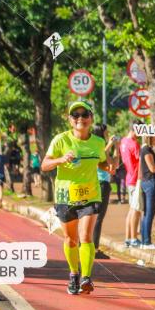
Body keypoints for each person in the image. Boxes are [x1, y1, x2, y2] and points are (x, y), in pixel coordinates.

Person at [41, 100, 108, 295]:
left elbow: (102, 163)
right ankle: (73, 274)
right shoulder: (61, 140)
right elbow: (45, 165)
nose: (80, 118)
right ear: (70, 120)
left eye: (84, 115)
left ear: (91, 118)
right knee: (71, 239)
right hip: (65, 196)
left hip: (91, 194)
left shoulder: (98, 142)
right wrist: (60, 159)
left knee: (86, 236)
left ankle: (86, 277)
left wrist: (109, 165)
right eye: (75, 115)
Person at [91, 124, 118, 257]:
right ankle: (94, 249)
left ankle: (91, 246)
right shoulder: (96, 146)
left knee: (96, 217)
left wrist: (116, 147)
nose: (108, 135)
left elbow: (114, 163)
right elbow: (98, 157)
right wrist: (109, 144)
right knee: (98, 217)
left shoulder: (102, 147)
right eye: (106, 132)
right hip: (99, 183)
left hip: (104, 183)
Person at [119, 123, 142, 247]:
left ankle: (128, 238)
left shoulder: (124, 141)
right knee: (136, 210)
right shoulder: (134, 144)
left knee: (131, 210)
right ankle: (133, 238)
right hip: (135, 179)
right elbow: (141, 163)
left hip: (129, 178)